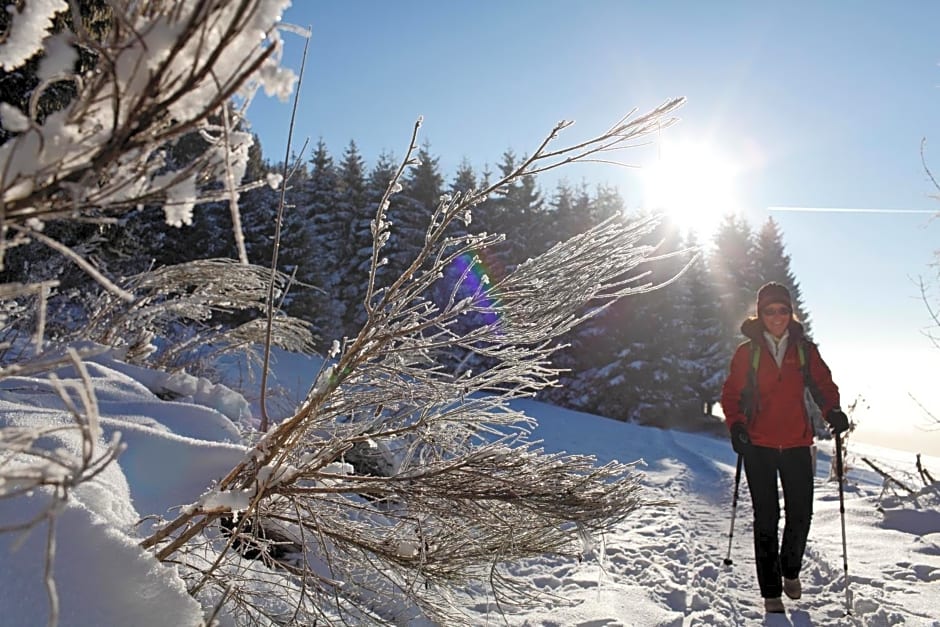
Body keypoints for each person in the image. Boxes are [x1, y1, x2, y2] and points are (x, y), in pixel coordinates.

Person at [720, 282, 849, 614]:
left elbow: (823, 385)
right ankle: (771, 592)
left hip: (796, 443)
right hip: (758, 445)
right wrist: (735, 425)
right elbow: (731, 395)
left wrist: (832, 411)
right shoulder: (747, 353)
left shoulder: (804, 350)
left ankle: (790, 569)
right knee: (766, 517)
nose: (776, 316)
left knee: (800, 515)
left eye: (782, 310)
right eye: (769, 311)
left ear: (790, 313)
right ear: (759, 314)